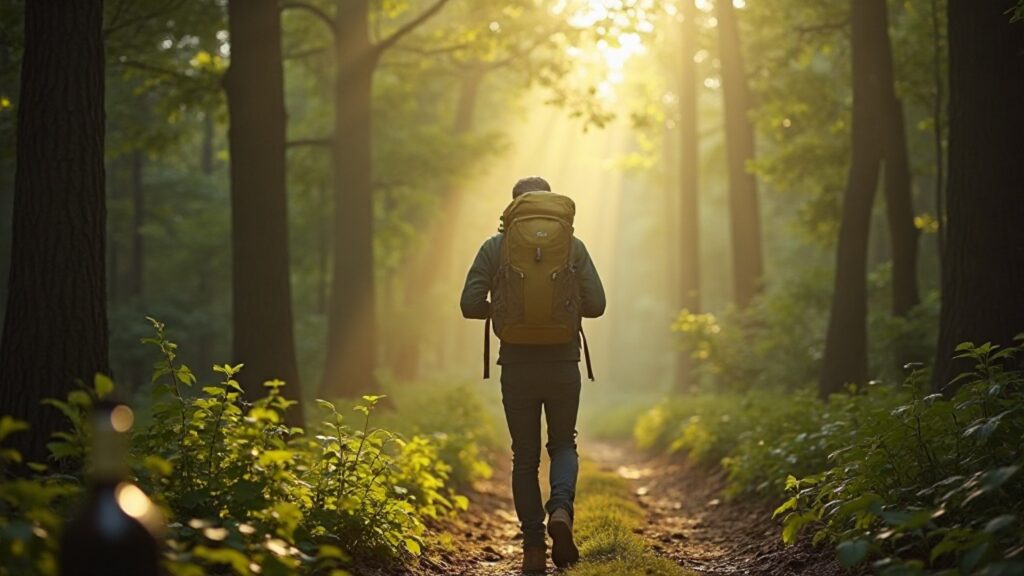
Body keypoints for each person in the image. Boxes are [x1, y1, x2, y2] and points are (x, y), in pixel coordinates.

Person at [460, 176, 606, 572]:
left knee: (524, 458)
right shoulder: (572, 246)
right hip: (563, 362)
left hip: (517, 365)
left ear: (511, 211)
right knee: (562, 445)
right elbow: (597, 305)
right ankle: (560, 510)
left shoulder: (496, 247)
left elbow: (470, 304)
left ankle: (533, 550)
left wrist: (506, 311)